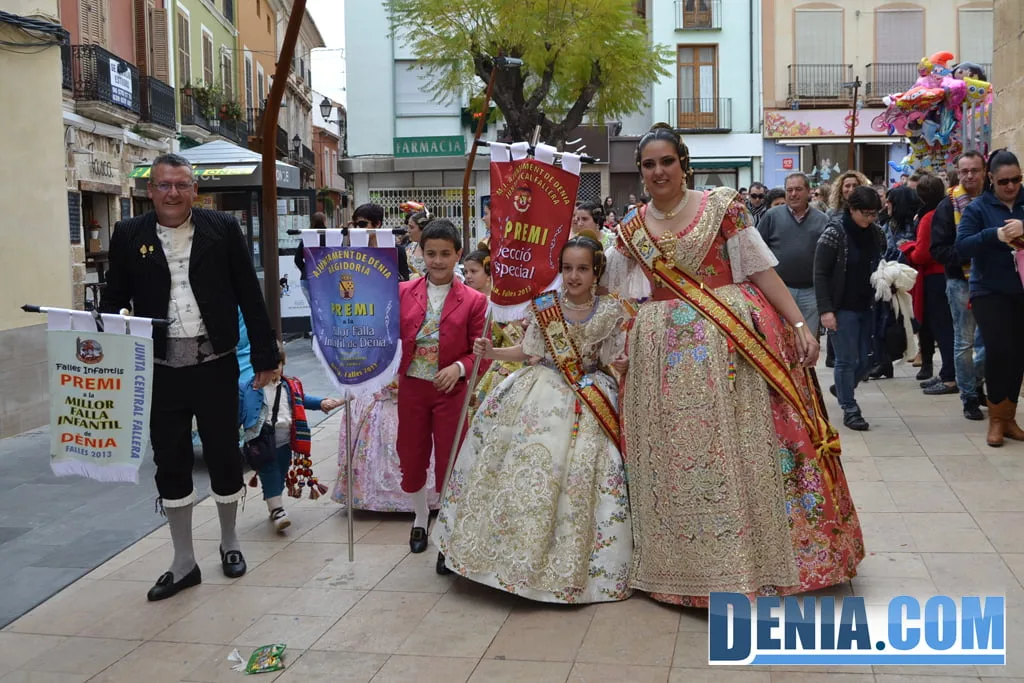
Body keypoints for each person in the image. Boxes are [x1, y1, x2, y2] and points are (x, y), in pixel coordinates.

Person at [603, 123, 863, 607]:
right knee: (678, 458)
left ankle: (759, 562)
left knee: (746, 449)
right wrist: (616, 340)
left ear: (684, 163)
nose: (659, 171)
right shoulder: (631, 229)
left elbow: (762, 271)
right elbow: (611, 291)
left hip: (734, 348)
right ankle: (684, 569)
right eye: (649, 164)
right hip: (662, 358)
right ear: (640, 173)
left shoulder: (722, 207)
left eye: (667, 161)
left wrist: (801, 326)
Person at [101, 153, 279, 601]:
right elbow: (115, 298)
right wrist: (102, 350)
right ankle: (183, 561)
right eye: (163, 185)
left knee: (222, 453)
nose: (173, 193)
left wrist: (264, 355)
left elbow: (248, 295)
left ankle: (230, 541)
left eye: (181, 184)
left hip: (215, 363)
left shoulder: (221, 229)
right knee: (171, 460)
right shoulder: (128, 234)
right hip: (160, 371)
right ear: (150, 190)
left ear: (195, 189)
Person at [433, 233, 633, 602]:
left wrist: (621, 365)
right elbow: (528, 352)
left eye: (583, 269)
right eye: (568, 268)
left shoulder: (611, 311)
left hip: (589, 397)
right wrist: (492, 351)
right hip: (538, 390)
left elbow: (611, 359)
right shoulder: (544, 307)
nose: (574, 276)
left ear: (596, 272)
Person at [397, 219, 488, 554]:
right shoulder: (403, 292)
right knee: (411, 452)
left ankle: (448, 530)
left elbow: (483, 350)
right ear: (421, 253)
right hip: (411, 388)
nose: (437, 260)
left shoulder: (476, 300)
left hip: (452, 392)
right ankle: (420, 517)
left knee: (451, 458)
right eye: (431, 253)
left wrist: (460, 367)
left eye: (445, 254)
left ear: (458, 255)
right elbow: (386, 337)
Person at [956, 149, 1024, 447]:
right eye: (1005, 181)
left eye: (1017, 180)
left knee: (1019, 353)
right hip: (989, 291)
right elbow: (961, 247)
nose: (1011, 186)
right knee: (999, 351)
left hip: (1021, 290)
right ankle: (996, 417)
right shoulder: (978, 208)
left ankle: (1009, 417)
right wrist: (993, 236)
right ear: (992, 179)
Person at [239, 342, 344, 531]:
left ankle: (273, 502)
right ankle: (278, 510)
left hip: (286, 438)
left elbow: (303, 399)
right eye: (268, 368)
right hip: (260, 439)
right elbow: (238, 409)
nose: (273, 372)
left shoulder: (290, 386)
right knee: (269, 470)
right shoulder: (248, 387)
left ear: (283, 365)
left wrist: (322, 402)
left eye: (276, 366)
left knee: (280, 472)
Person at [815, 186, 888, 431]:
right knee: (846, 360)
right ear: (852, 209)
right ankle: (850, 408)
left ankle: (843, 387)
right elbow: (821, 272)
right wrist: (825, 310)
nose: (870, 219)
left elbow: (882, 262)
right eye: (865, 213)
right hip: (841, 307)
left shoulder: (877, 233)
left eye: (874, 214)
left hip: (867, 305)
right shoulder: (834, 233)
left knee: (867, 361)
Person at [931, 151, 988, 421]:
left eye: (974, 170)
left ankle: (977, 382)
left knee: (991, 342)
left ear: (984, 171)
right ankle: (969, 396)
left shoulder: (993, 201)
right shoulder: (947, 206)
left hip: (993, 280)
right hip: (960, 281)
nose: (969, 176)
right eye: (964, 171)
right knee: (964, 341)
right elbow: (938, 249)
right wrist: (969, 253)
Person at [901, 175, 957, 396]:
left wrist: (908, 249)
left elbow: (923, 253)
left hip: (934, 277)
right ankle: (947, 372)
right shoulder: (948, 209)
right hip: (949, 273)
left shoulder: (928, 217)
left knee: (942, 328)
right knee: (949, 328)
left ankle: (950, 375)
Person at [757, 172, 829, 339]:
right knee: (781, 339)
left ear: (809, 192)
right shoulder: (772, 217)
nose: (793, 194)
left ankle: (806, 366)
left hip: (811, 292)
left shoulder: (822, 220)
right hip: (779, 290)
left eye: (798, 189)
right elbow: (758, 250)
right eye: (789, 190)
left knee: (808, 341)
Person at [462, 241, 525, 423]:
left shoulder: (501, 305)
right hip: (475, 363)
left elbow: (516, 339)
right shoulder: (468, 302)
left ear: (489, 275)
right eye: (466, 272)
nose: (468, 276)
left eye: (474, 272)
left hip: (502, 366)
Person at [294, 212, 327, 306]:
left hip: (307, 278)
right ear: (325, 222)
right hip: (325, 278)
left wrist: (306, 269)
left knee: (314, 310)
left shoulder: (307, 237)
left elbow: (297, 259)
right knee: (324, 310)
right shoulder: (331, 236)